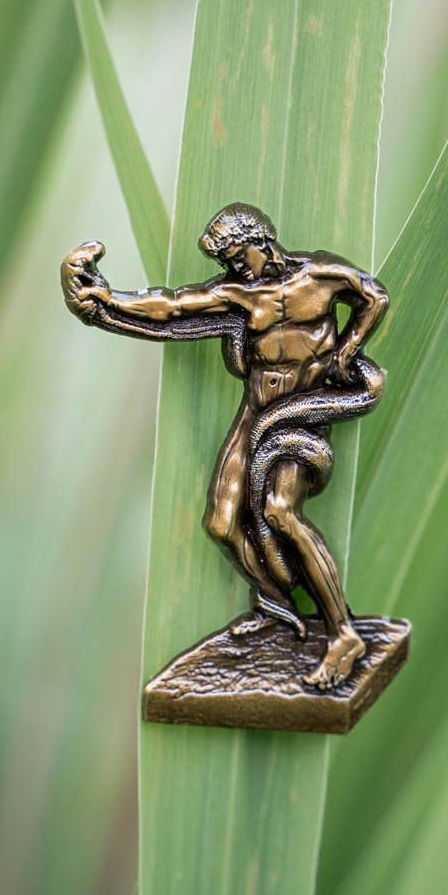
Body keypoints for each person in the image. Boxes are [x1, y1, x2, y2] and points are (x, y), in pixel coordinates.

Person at [67, 203, 389, 689]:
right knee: (221, 524)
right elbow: (171, 307)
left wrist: (347, 349)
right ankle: (278, 604)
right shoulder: (237, 295)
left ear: (261, 241)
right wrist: (103, 301)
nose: (233, 268)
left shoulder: (321, 275)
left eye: (238, 256)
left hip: (304, 414)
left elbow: (374, 296)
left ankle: (343, 633)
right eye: (227, 262)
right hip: (256, 414)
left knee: (281, 512)